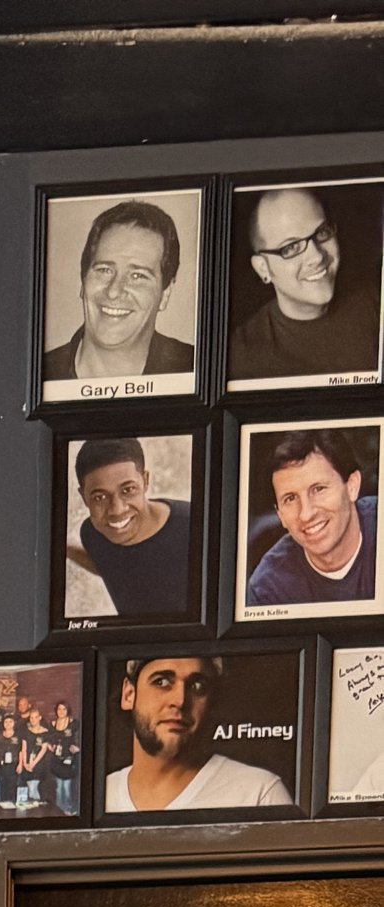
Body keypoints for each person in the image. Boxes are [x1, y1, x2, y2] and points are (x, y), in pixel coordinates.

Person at [228, 185, 384, 389]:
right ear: (262, 268)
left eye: (322, 233)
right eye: (291, 247)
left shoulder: (375, 302)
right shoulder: (241, 356)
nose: (317, 257)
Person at [105, 654, 292, 815]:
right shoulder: (101, 794)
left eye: (197, 686)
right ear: (129, 694)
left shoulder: (259, 793)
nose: (179, 701)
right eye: (161, 682)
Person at [42, 198, 194, 391]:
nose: (114, 291)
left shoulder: (194, 369)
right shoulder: (41, 375)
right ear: (83, 280)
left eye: (137, 275)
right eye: (104, 270)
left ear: (165, 293)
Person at [245, 429, 378, 612]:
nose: (306, 514)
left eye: (319, 489)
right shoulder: (269, 588)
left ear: (352, 486)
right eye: (290, 498)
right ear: (280, 515)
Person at [68, 438, 195, 622]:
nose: (117, 510)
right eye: (100, 497)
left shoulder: (194, 529)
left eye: (128, 490)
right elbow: (113, 568)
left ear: (145, 481)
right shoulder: (93, 534)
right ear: (83, 497)